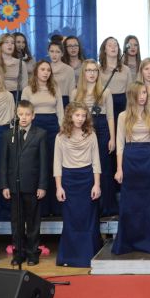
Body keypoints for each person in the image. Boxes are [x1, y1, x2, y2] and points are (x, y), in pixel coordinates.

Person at [112, 83, 150, 255]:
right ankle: (129, 241)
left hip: (148, 159)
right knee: (130, 203)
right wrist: (119, 169)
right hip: (130, 159)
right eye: (139, 93)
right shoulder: (123, 116)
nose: (142, 96)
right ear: (132, 95)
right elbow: (120, 144)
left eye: (144, 93)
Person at [0, 100, 48, 266]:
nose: (24, 117)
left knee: (33, 222)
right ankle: (19, 253)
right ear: (16, 115)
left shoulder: (40, 134)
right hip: (14, 186)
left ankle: (33, 253)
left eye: (27, 114)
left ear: (33, 115)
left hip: (33, 186)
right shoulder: (9, 135)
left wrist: (42, 185)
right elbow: (4, 162)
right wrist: (4, 185)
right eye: (20, 114)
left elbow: (44, 162)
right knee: (17, 222)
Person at [54, 102, 102, 267]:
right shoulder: (60, 137)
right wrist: (59, 187)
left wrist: (97, 185)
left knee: (88, 219)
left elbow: (96, 161)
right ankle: (70, 257)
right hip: (68, 180)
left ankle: (89, 255)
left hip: (87, 179)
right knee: (71, 219)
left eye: (83, 115)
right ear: (70, 116)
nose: (80, 119)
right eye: (77, 115)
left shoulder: (91, 135)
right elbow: (57, 164)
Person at [71, 59, 117, 216]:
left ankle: (106, 206)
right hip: (82, 128)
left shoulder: (106, 91)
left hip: (102, 128)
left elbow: (110, 116)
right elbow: (71, 116)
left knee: (103, 166)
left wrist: (112, 138)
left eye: (94, 70)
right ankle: (87, 205)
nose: (92, 73)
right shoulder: (75, 93)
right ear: (83, 73)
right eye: (88, 70)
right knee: (86, 166)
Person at [22, 60, 64, 217]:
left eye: (48, 70)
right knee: (37, 165)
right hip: (34, 126)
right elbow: (23, 112)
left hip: (52, 127)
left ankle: (55, 206)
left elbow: (60, 110)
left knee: (52, 164)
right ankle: (40, 208)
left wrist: (62, 128)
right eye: (42, 69)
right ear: (36, 71)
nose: (46, 72)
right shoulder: (27, 90)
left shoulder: (55, 88)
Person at [99, 36, 133, 126]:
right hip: (104, 103)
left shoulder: (126, 69)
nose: (113, 47)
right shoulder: (98, 69)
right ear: (104, 50)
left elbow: (130, 92)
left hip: (122, 103)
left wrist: (129, 109)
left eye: (115, 45)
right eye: (110, 45)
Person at [47, 40, 76, 107]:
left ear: (62, 54)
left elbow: (72, 91)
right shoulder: (45, 68)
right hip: (47, 101)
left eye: (57, 52)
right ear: (48, 52)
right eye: (52, 51)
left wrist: (71, 107)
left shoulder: (69, 70)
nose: (54, 55)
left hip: (64, 101)